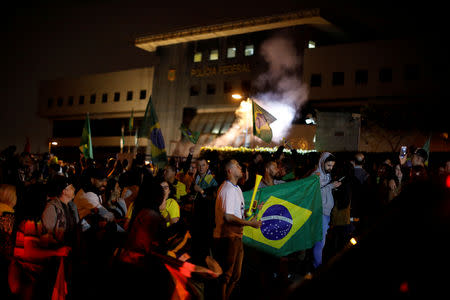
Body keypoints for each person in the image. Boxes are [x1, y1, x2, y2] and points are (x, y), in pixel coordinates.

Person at [213, 159, 262, 300]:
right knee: (226, 275)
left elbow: (237, 212)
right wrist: (249, 223)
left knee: (235, 276)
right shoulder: (227, 189)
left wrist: (251, 210)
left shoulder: (237, 188)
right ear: (229, 171)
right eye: (237, 165)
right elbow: (228, 217)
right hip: (227, 237)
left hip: (236, 236)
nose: (241, 167)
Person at [312, 152, 341, 269]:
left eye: (332, 166)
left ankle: (316, 265)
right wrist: (331, 186)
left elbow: (324, 189)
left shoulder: (326, 175)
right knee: (320, 242)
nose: (331, 168)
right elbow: (314, 193)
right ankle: (317, 267)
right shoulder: (316, 175)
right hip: (320, 212)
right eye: (329, 165)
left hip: (326, 213)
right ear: (322, 163)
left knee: (321, 242)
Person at [189, 157, 218, 266]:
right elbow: (195, 193)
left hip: (206, 219)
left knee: (204, 247)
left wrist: (201, 191)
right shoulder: (196, 178)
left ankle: (206, 270)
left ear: (207, 166)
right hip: (196, 217)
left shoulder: (211, 180)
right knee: (196, 245)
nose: (201, 167)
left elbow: (213, 198)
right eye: (199, 165)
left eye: (203, 165)